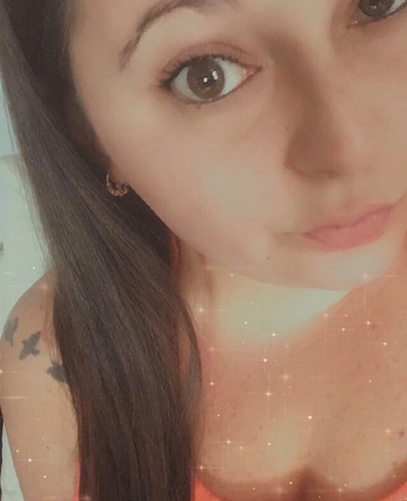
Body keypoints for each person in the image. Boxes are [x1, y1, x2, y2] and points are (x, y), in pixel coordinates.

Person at [2, 0, 407, 500]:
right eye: (205, 77)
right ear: (86, 133)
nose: (349, 147)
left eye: (377, 6)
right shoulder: (55, 358)